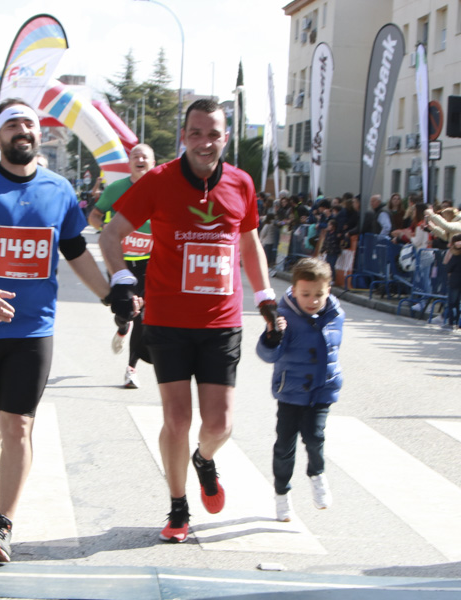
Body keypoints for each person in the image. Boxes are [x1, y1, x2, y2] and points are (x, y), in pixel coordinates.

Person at [0, 99, 113, 562]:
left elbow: (75, 250)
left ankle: (3, 526)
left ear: (40, 134)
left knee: (19, 424)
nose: (22, 130)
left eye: (29, 123)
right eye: (12, 124)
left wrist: (110, 296)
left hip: (34, 329)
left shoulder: (58, 190)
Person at [99, 98, 276, 544]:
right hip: (168, 320)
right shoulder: (158, 181)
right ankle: (178, 507)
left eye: (213, 133)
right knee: (177, 420)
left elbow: (250, 242)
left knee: (219, 425)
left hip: (221, 321)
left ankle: (204, 458)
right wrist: (122, 280)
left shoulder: (241, 183)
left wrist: (267, 296)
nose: (204, 141)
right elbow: (111, 233)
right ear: (184, 137)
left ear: (225, 137)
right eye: (195, 133)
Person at [255, 257, 343, 522]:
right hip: (291, 392)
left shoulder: (335, 315)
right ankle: (282, 495)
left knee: (315, 438)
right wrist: (272, 335)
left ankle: (317, 475)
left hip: (321, 390)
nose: (313, 300)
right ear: (293, 290)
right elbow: (268, 355)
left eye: (319, 294)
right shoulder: (283, 317)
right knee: (284, 446)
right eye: (306, 294)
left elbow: (332, 351)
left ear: (329, 290)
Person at [87, 144, 156, 389]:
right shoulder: (116, 189)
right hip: (119, 262)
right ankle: (121, 327)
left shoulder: (161, 189)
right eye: (135, 156)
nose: (140, 159)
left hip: (149, 263)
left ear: (153, 163)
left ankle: (131, 369)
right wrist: (106, 231)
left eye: (144, 156)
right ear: (129, 163)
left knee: (142, 316)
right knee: (124, 313)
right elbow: (94, 215)